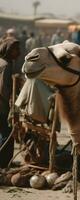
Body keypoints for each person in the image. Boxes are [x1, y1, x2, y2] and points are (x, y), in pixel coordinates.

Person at [0, 38, 20, 168]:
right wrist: (10, 106)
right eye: (16, 49)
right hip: (2, 105)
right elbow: (3, 88)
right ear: (8, 50)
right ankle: (4, 162)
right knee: (6, 133)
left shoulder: (2, 62)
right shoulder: (6, 65)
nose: (19, 52)